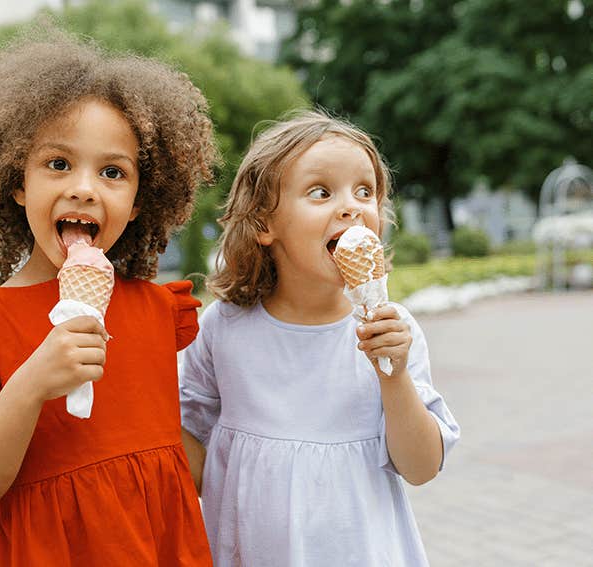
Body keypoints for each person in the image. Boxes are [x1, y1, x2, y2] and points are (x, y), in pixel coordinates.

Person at [0, 30, 218, 566]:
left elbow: (175, 465)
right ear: (18, 184)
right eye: (58, 164)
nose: (84, 188)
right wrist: (32, 383)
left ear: (139, 200)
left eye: (112, 172)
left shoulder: (159, 312)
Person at [179, 109, 460, 566]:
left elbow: (421, 467)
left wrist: (394, 375)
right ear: (264, 224)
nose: (351, 206)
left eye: (365, 191)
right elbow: (187, 455)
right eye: (321, 191)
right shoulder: (224, 327)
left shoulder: (395, 332)